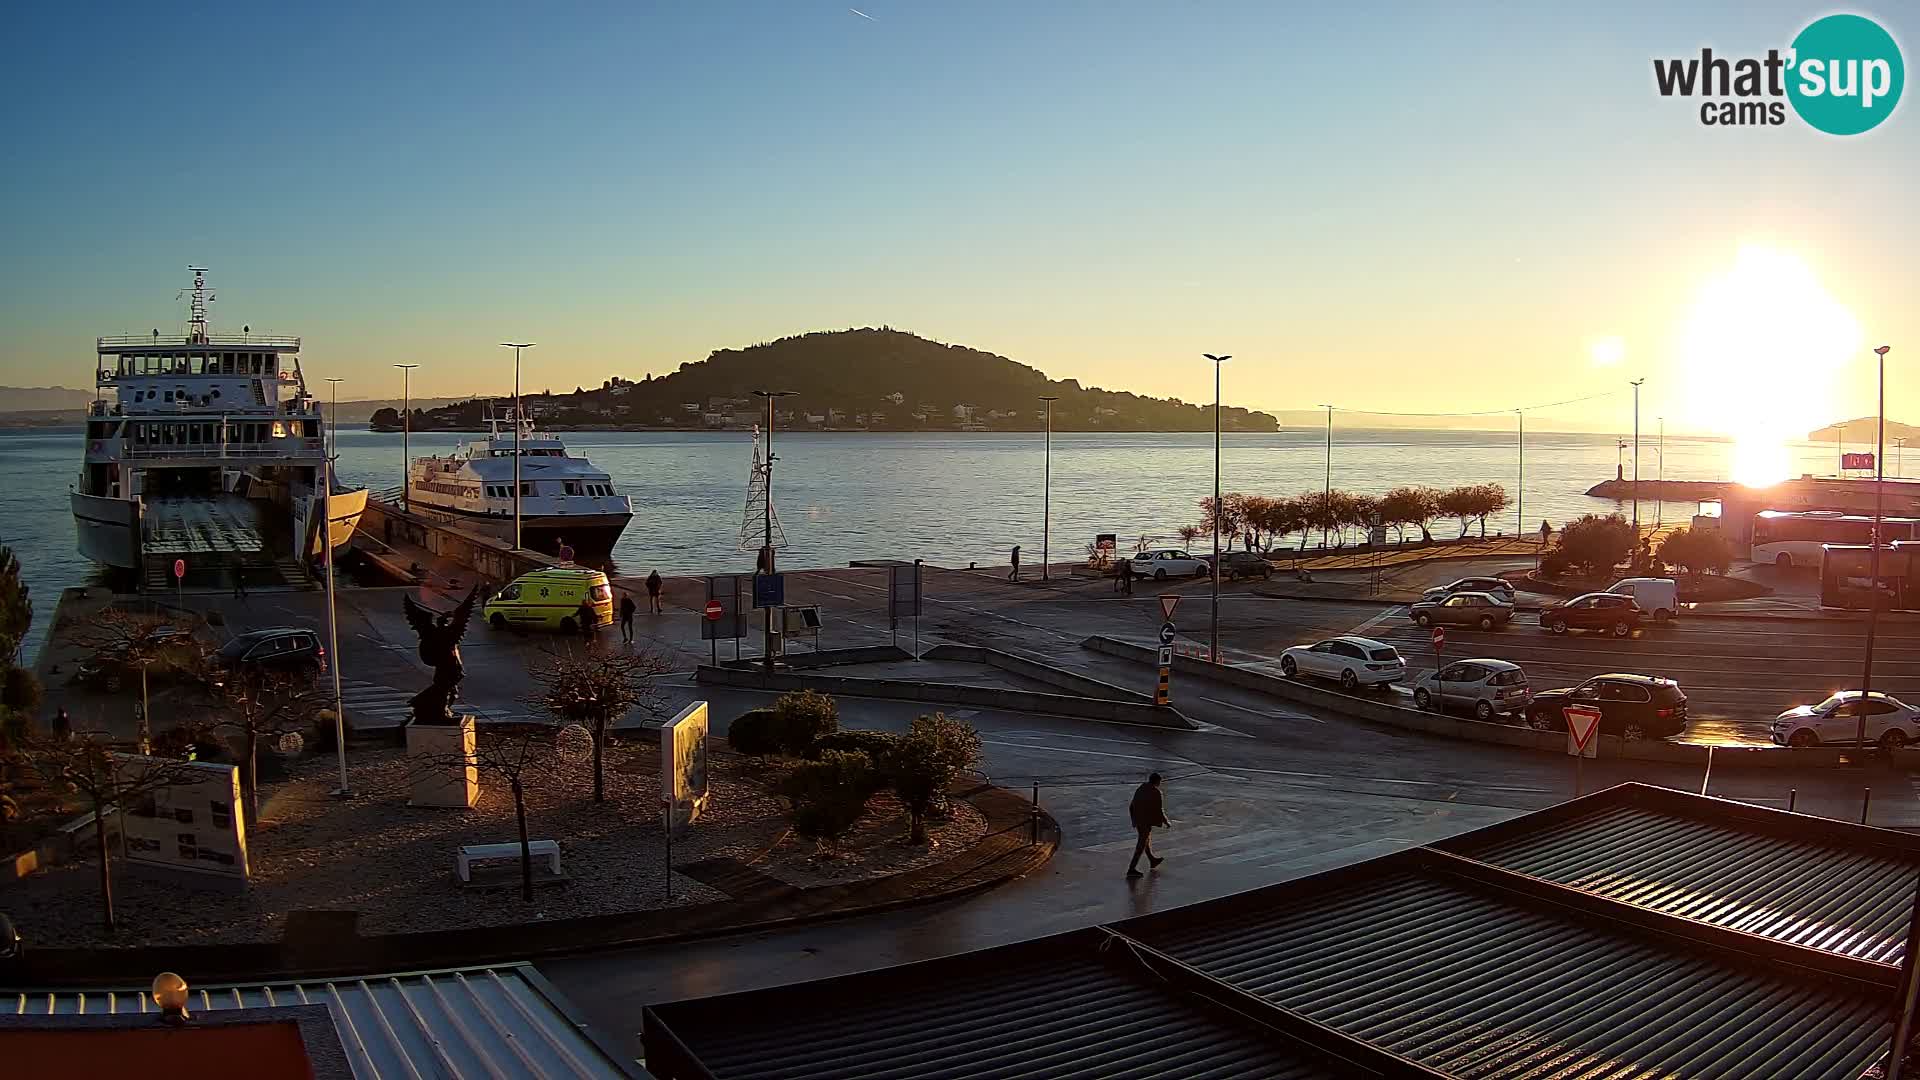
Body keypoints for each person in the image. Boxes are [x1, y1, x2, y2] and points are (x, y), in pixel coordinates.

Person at [1127, 772, 1170, 877]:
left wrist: (1134, 819)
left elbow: (1132, 805)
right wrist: (1166, 821)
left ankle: (1152, 859)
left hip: (1138, 819)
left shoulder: (1141, 787)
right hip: (1145, 821)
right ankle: (1131, 869)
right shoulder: (1156, 792)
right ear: (1157, 781)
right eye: (1160, 781)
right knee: (1141, 845)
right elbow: (1159, 810)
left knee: (1146, 840)